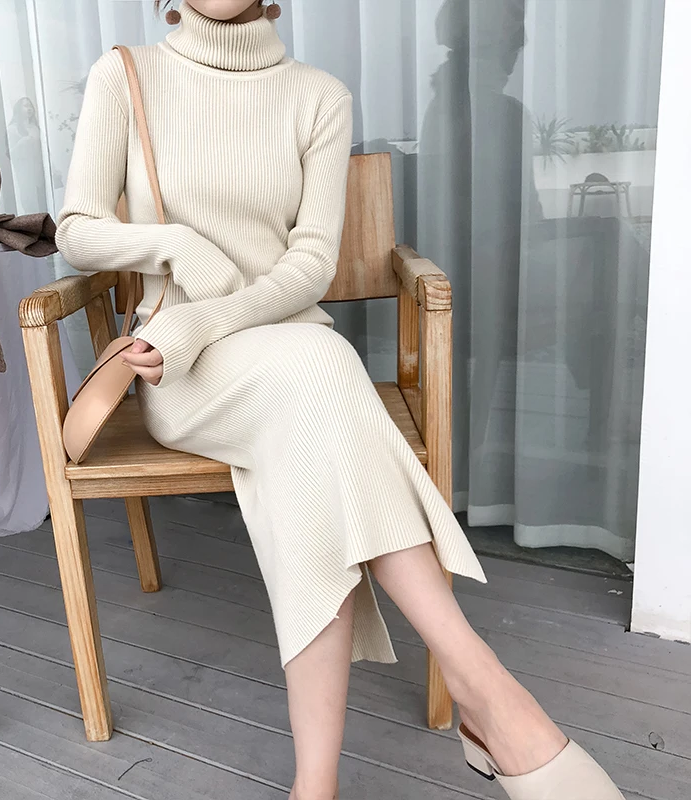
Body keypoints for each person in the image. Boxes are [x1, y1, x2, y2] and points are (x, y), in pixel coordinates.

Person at [54, 2, 625, 798]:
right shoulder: (127, 76)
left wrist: (209, 315)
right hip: (177, 369)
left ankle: (316, 785)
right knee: (325, 378)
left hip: (269, 346)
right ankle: (490, 696)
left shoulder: (318, 95)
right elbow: (76, 230)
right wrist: (176, 245)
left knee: (315, 404)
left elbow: (310, 265)